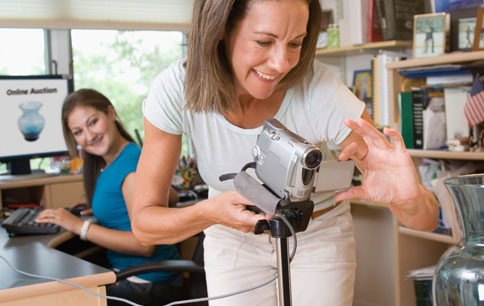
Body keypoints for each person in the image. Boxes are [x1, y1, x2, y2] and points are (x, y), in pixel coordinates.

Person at [132, 0, 439, 305]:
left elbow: (424, 220)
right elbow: (145, 225)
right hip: (232, 239)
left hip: (317, 234)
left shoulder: (319, 91)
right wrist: (209, 213)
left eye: (296, 43)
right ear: (220, 30)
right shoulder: (175, 89)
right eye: (264, 41)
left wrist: (408, 198)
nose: (282, 63)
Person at [35, 89, 183, 306]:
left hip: (145, 285)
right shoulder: (129, 155)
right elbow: (172, 196)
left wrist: (78, 226)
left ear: (111, 113)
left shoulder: (128, 167)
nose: (89, 136)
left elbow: (144, 246)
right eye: (78, 132)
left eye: (93, 122)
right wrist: (111, 202)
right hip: (147, 279)